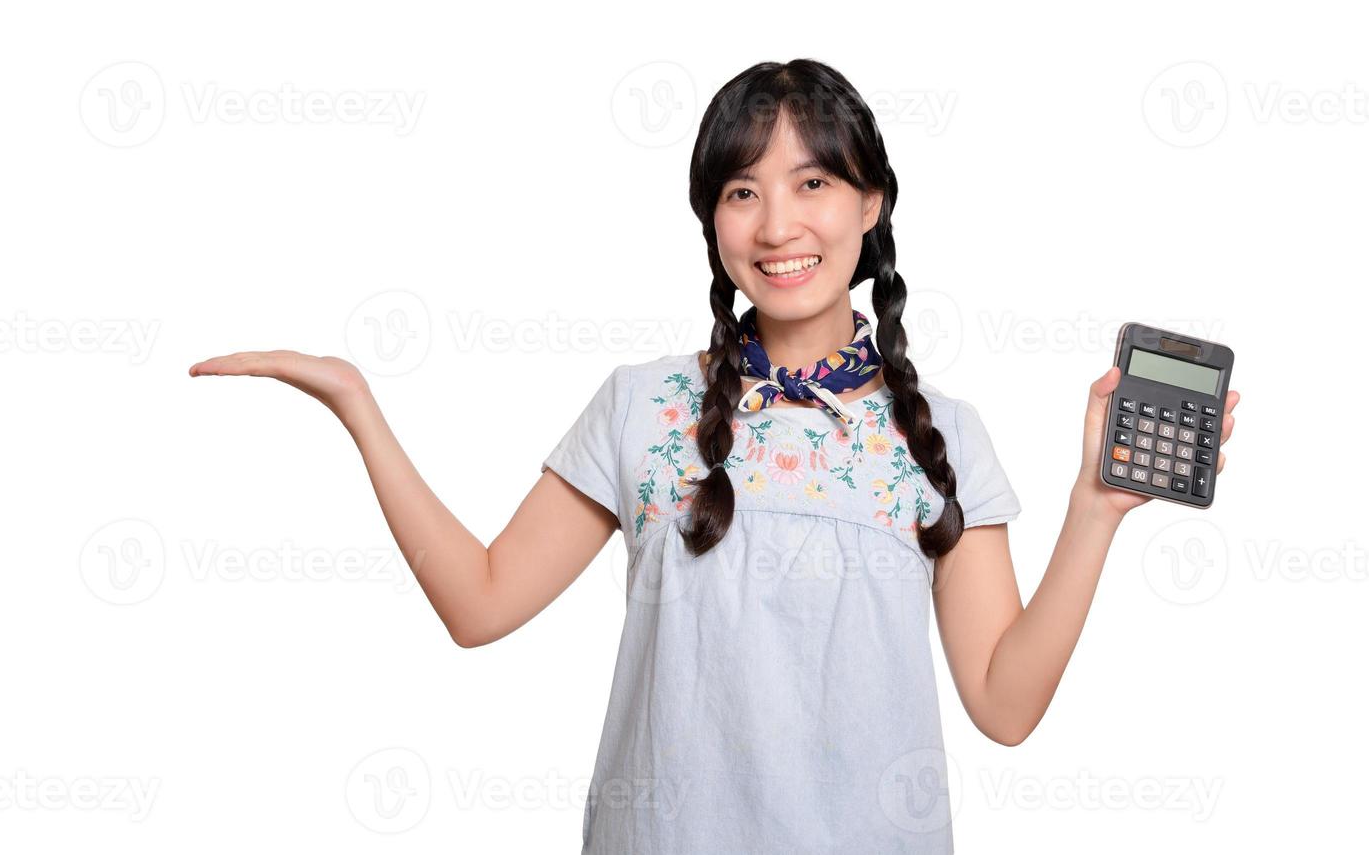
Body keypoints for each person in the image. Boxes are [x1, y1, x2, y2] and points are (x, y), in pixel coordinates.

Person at [189, 58, 1240, 853]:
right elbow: (480, 601)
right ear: (712, 219)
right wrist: (359, 406)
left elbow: (1005, 705)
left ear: (871, 206)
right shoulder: (644, 403)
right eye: (742, 190)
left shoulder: (946, 435)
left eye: (815, 182)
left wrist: (1096, 507)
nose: (778, 222)